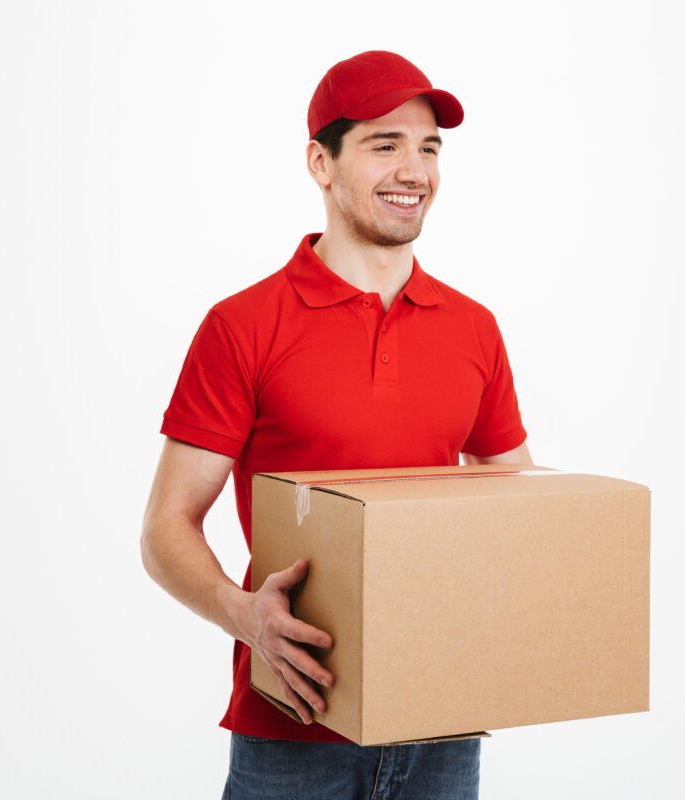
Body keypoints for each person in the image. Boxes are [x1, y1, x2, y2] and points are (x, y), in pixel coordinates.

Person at [141, 50, 531, 800]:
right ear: (321, 163)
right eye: (385, 145)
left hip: (443, 723)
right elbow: (166, 528)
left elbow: (518, 507)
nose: (413, 170)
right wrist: (243, 615)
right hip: (294, 728)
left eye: (429, 147)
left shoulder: (475, 330)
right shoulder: (242, 326)